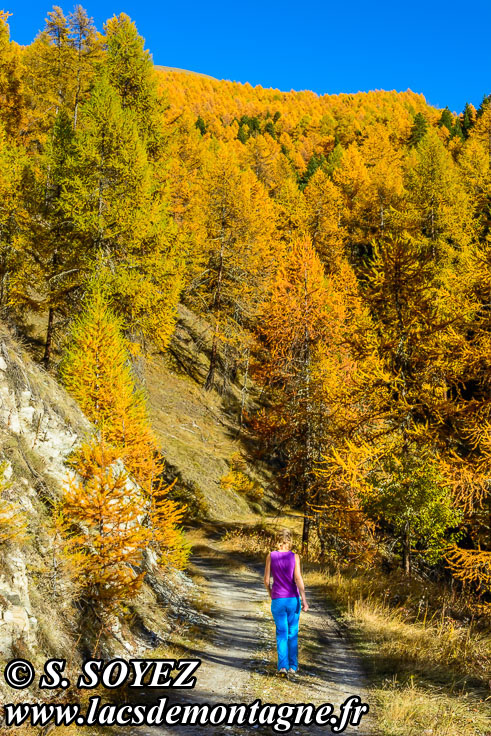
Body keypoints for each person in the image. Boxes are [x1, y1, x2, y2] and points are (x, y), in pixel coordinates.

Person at [263, 529, 309, 676]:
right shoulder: (295, 557)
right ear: (290, 541)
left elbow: (265, 580)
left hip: (278, 600)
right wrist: (304, 600)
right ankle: (293, 667)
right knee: (293, 633)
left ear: (277, 540)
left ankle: (282, 667)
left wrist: (271, 594)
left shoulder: (271, 556)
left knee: (281, 633)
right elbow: (298, 579)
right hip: (292, 600)